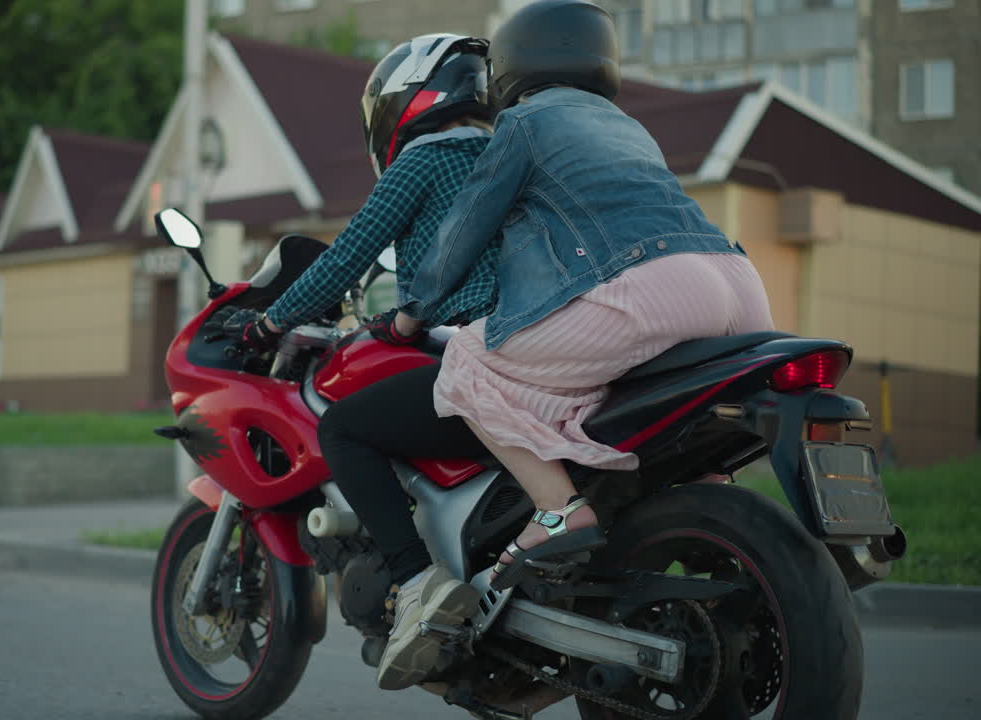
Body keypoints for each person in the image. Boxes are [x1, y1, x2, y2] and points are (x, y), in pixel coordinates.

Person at [394, 0, 775, 593]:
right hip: (737, 283)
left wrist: (412, 314)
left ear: (513, 63)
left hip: (652, 288)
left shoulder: (526, 122)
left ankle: (557, 512)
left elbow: (464, 227)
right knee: (653, 399)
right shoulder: (627, 126)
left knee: (468, 360)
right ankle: (710, 503)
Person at [225, 35, 502, 691]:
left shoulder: (426, 160)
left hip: (478, 349)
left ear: (401, 105)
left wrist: (267, 321)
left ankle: (415, 581)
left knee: (344, 427)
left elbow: (344, 259)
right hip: (556, 339)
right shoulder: (506, 152)